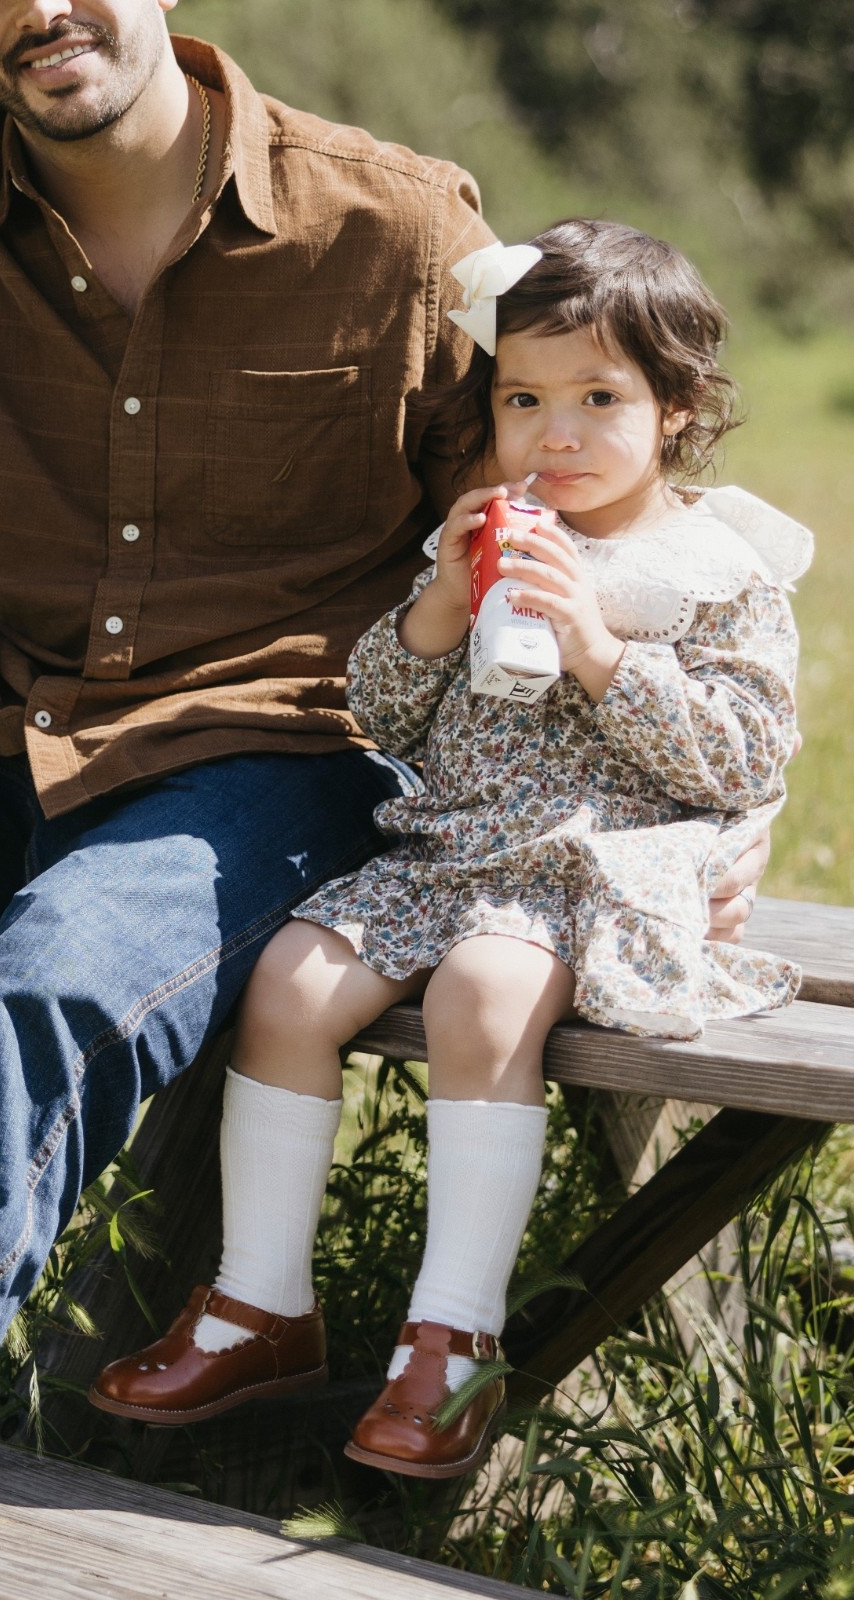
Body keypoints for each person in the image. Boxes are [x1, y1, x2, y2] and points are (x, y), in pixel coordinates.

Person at [0, 0, 772, 1600]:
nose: (33, 6)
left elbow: (609, 500)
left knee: (38, 1007)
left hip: (263, 777)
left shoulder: (394, 234)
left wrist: (679, 792)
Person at [91, 218, 812, 1478]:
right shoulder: (480, 532)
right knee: (292, 978)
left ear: (678, 406)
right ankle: (261, 1300)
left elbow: (749, 752)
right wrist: (436, 605)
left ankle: (452, 1340)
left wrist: (598, 646)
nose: (559, 433)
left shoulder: (712, 568)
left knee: (484, 997)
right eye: (525, 398)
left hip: (592, 865)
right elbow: (383, 708)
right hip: (452, 852)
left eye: (600, 398)